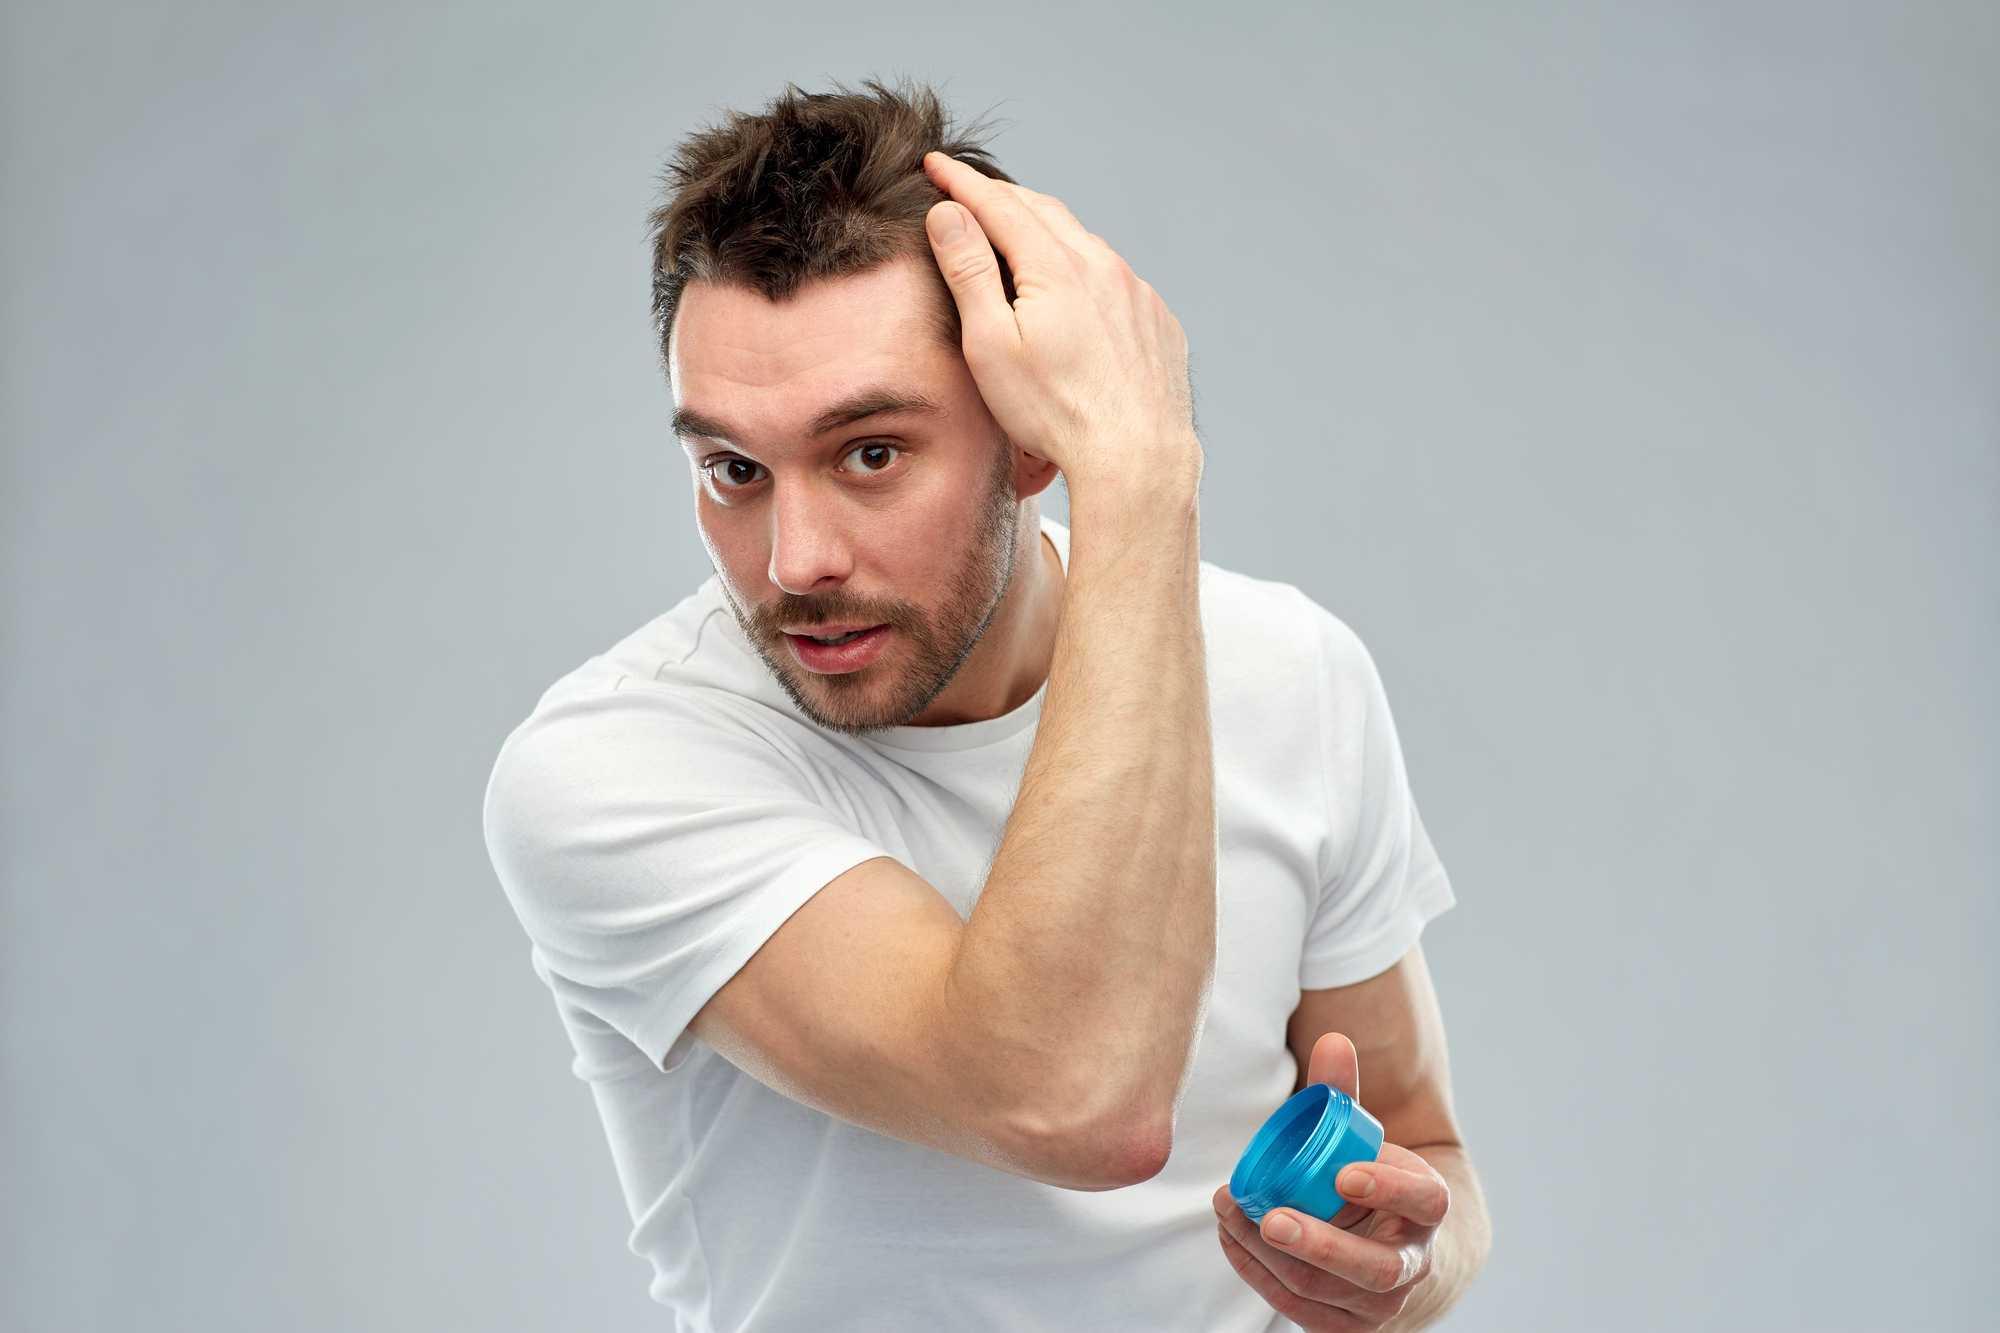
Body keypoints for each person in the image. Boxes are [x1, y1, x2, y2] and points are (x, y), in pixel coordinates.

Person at [484, 80, 1491, 1332]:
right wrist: (1144, 469)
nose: (794, 559)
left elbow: (1427, 1148)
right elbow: (1071, 1103)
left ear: (1027, 437)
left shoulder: (1291, 669)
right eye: (732, 469)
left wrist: (1398, 1267)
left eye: (869, 453)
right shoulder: (611, 768)